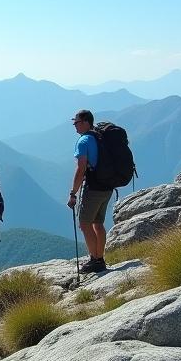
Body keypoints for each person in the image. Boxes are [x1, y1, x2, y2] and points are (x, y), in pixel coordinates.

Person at [68, 109, 112, 273]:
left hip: (93, 188)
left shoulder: (84, 141)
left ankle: (96, 260)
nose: (75, 126)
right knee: (98, 223)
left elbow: (80, 170)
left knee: (85, 224)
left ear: (86, 122)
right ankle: (99, 257)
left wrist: (73, 193)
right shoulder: (100, 137)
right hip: (107, 186)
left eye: (77, 123)